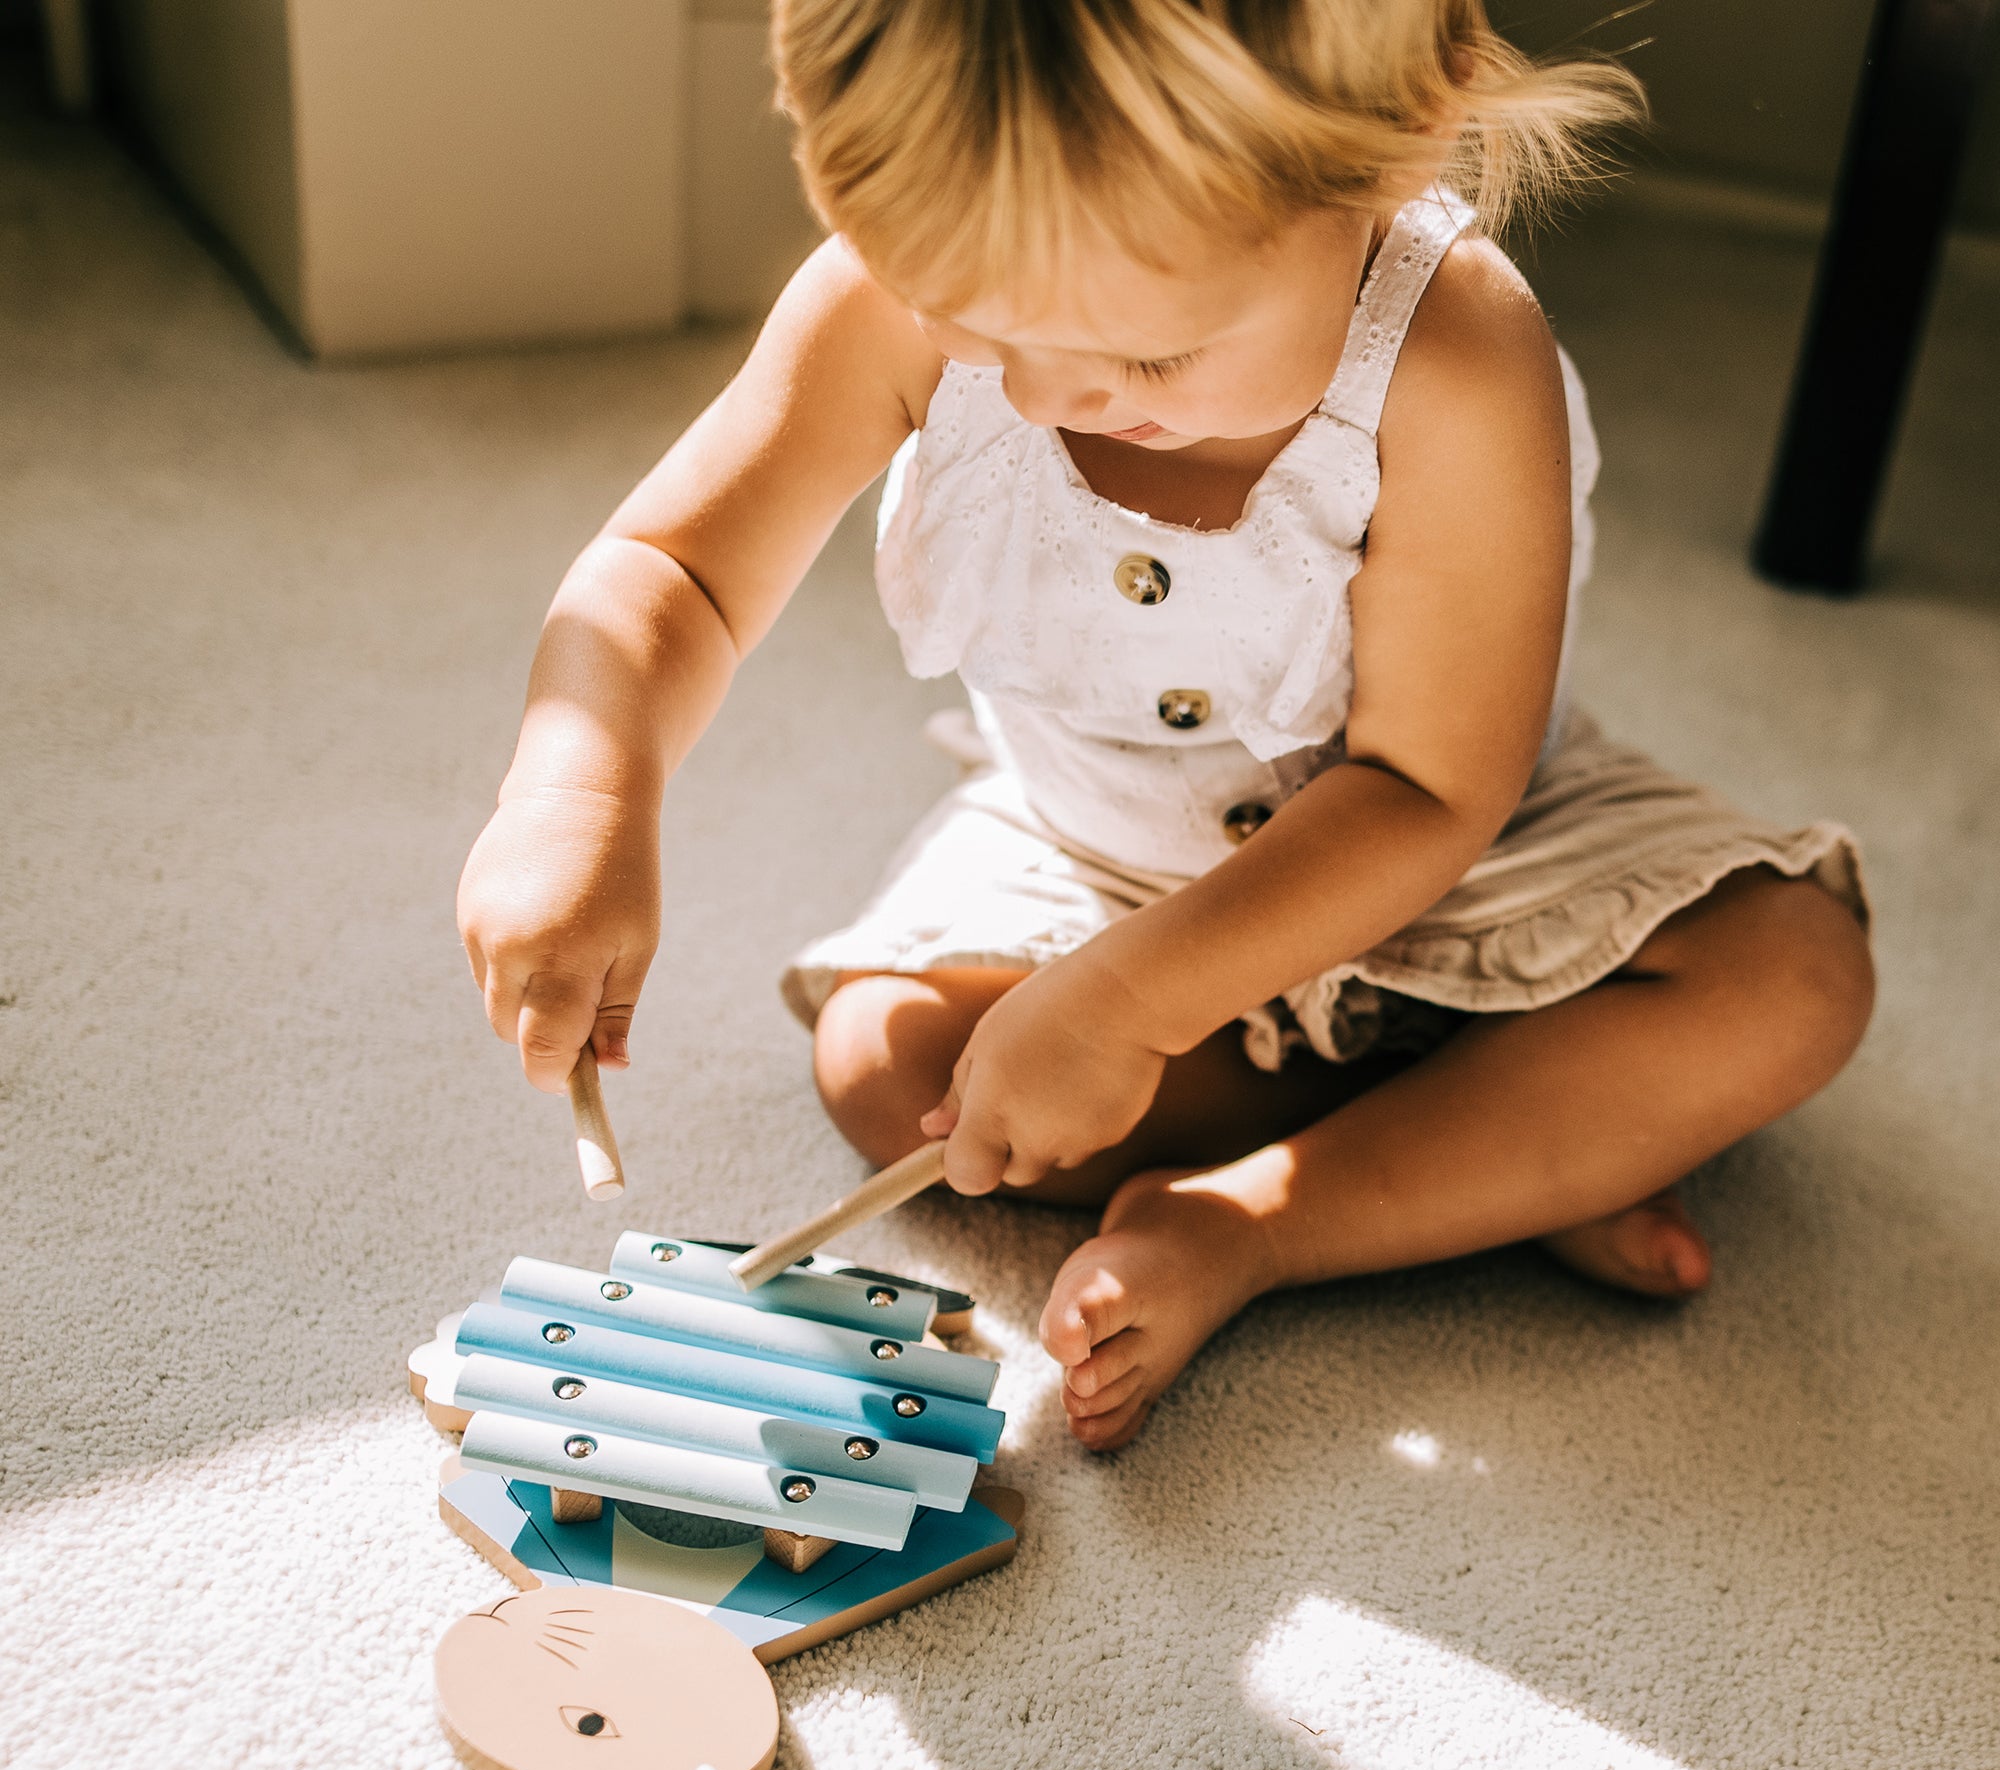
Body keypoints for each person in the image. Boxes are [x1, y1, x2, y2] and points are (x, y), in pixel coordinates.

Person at [458, 0, 1873, 1451]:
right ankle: (1503, 1147)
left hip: (1447, 843)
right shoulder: (887, 301)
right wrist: (580, 793)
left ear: (1393, 152)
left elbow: (1429, 785)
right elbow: (675, 572)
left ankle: (1261, 1223)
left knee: (1791, 977)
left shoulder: (1454, 357)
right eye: (972, 323)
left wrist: (1135, 1009)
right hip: (1105, 851)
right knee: (894, 1069)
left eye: (1150, 358)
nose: (1042, 390)